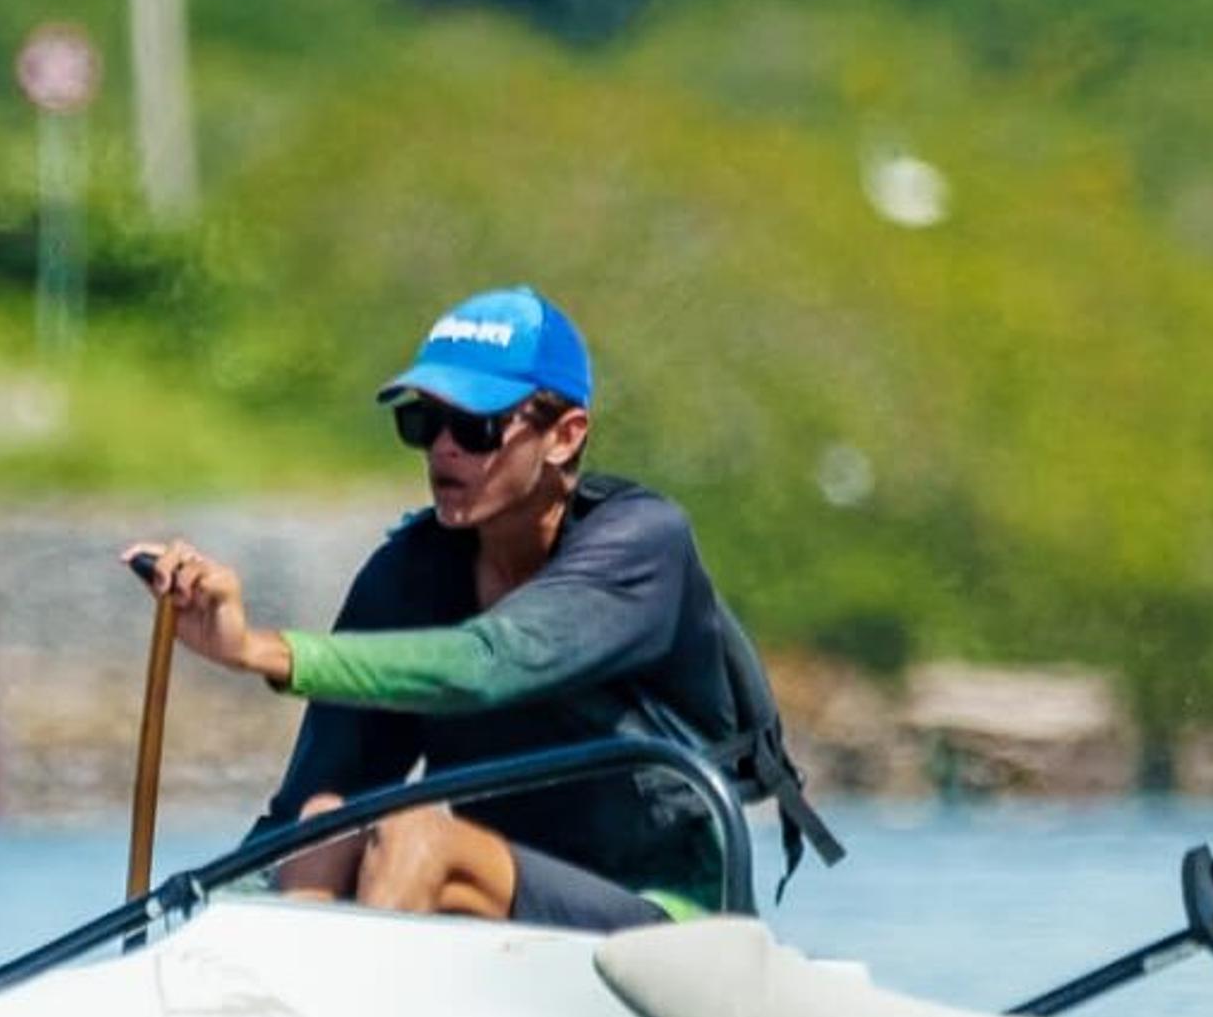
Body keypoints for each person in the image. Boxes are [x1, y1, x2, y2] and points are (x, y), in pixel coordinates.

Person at [128, 286, 838, 929]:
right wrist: (203, 927)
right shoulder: (407, 576)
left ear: (565, 435)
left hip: (669, 926)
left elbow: (489, 664)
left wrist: (257, 648)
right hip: (494, 920)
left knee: (414, 835)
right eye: (423, 422)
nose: (442, 448)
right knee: (326, 821)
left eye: (476, 427)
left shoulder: (644, 547)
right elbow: (304, 812)